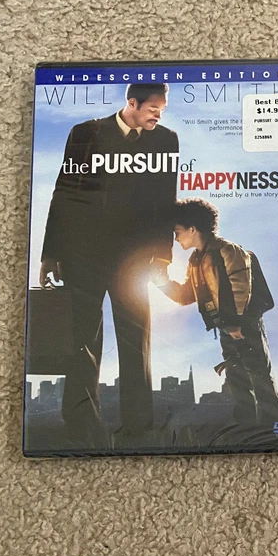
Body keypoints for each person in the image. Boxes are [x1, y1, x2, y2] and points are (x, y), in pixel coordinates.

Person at [39, 83, 178, 440]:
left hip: (135, 261)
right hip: (82, 255)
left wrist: (163, 256)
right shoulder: (85, 133)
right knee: (81, 338)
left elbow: (167, 201)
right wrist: (51, 253)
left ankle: (138, 425)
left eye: (162, 109)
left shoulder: (166, 140)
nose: (158, 115)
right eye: (153, 108)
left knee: (136, 341)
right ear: (132, 103)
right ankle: (81, 423)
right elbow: (63, 192)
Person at [157, 198, 278, 430]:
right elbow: (186, 295)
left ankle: (272, 427)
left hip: (244, 323)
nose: (176, 238)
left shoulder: (228, 250)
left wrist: (235, 323)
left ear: (192, 229)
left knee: (258, 373)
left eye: (178, 232)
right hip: (226, 326)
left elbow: (241, 287)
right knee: (235, 374)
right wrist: (162, 282)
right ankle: (245, 425)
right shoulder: (196, 259)